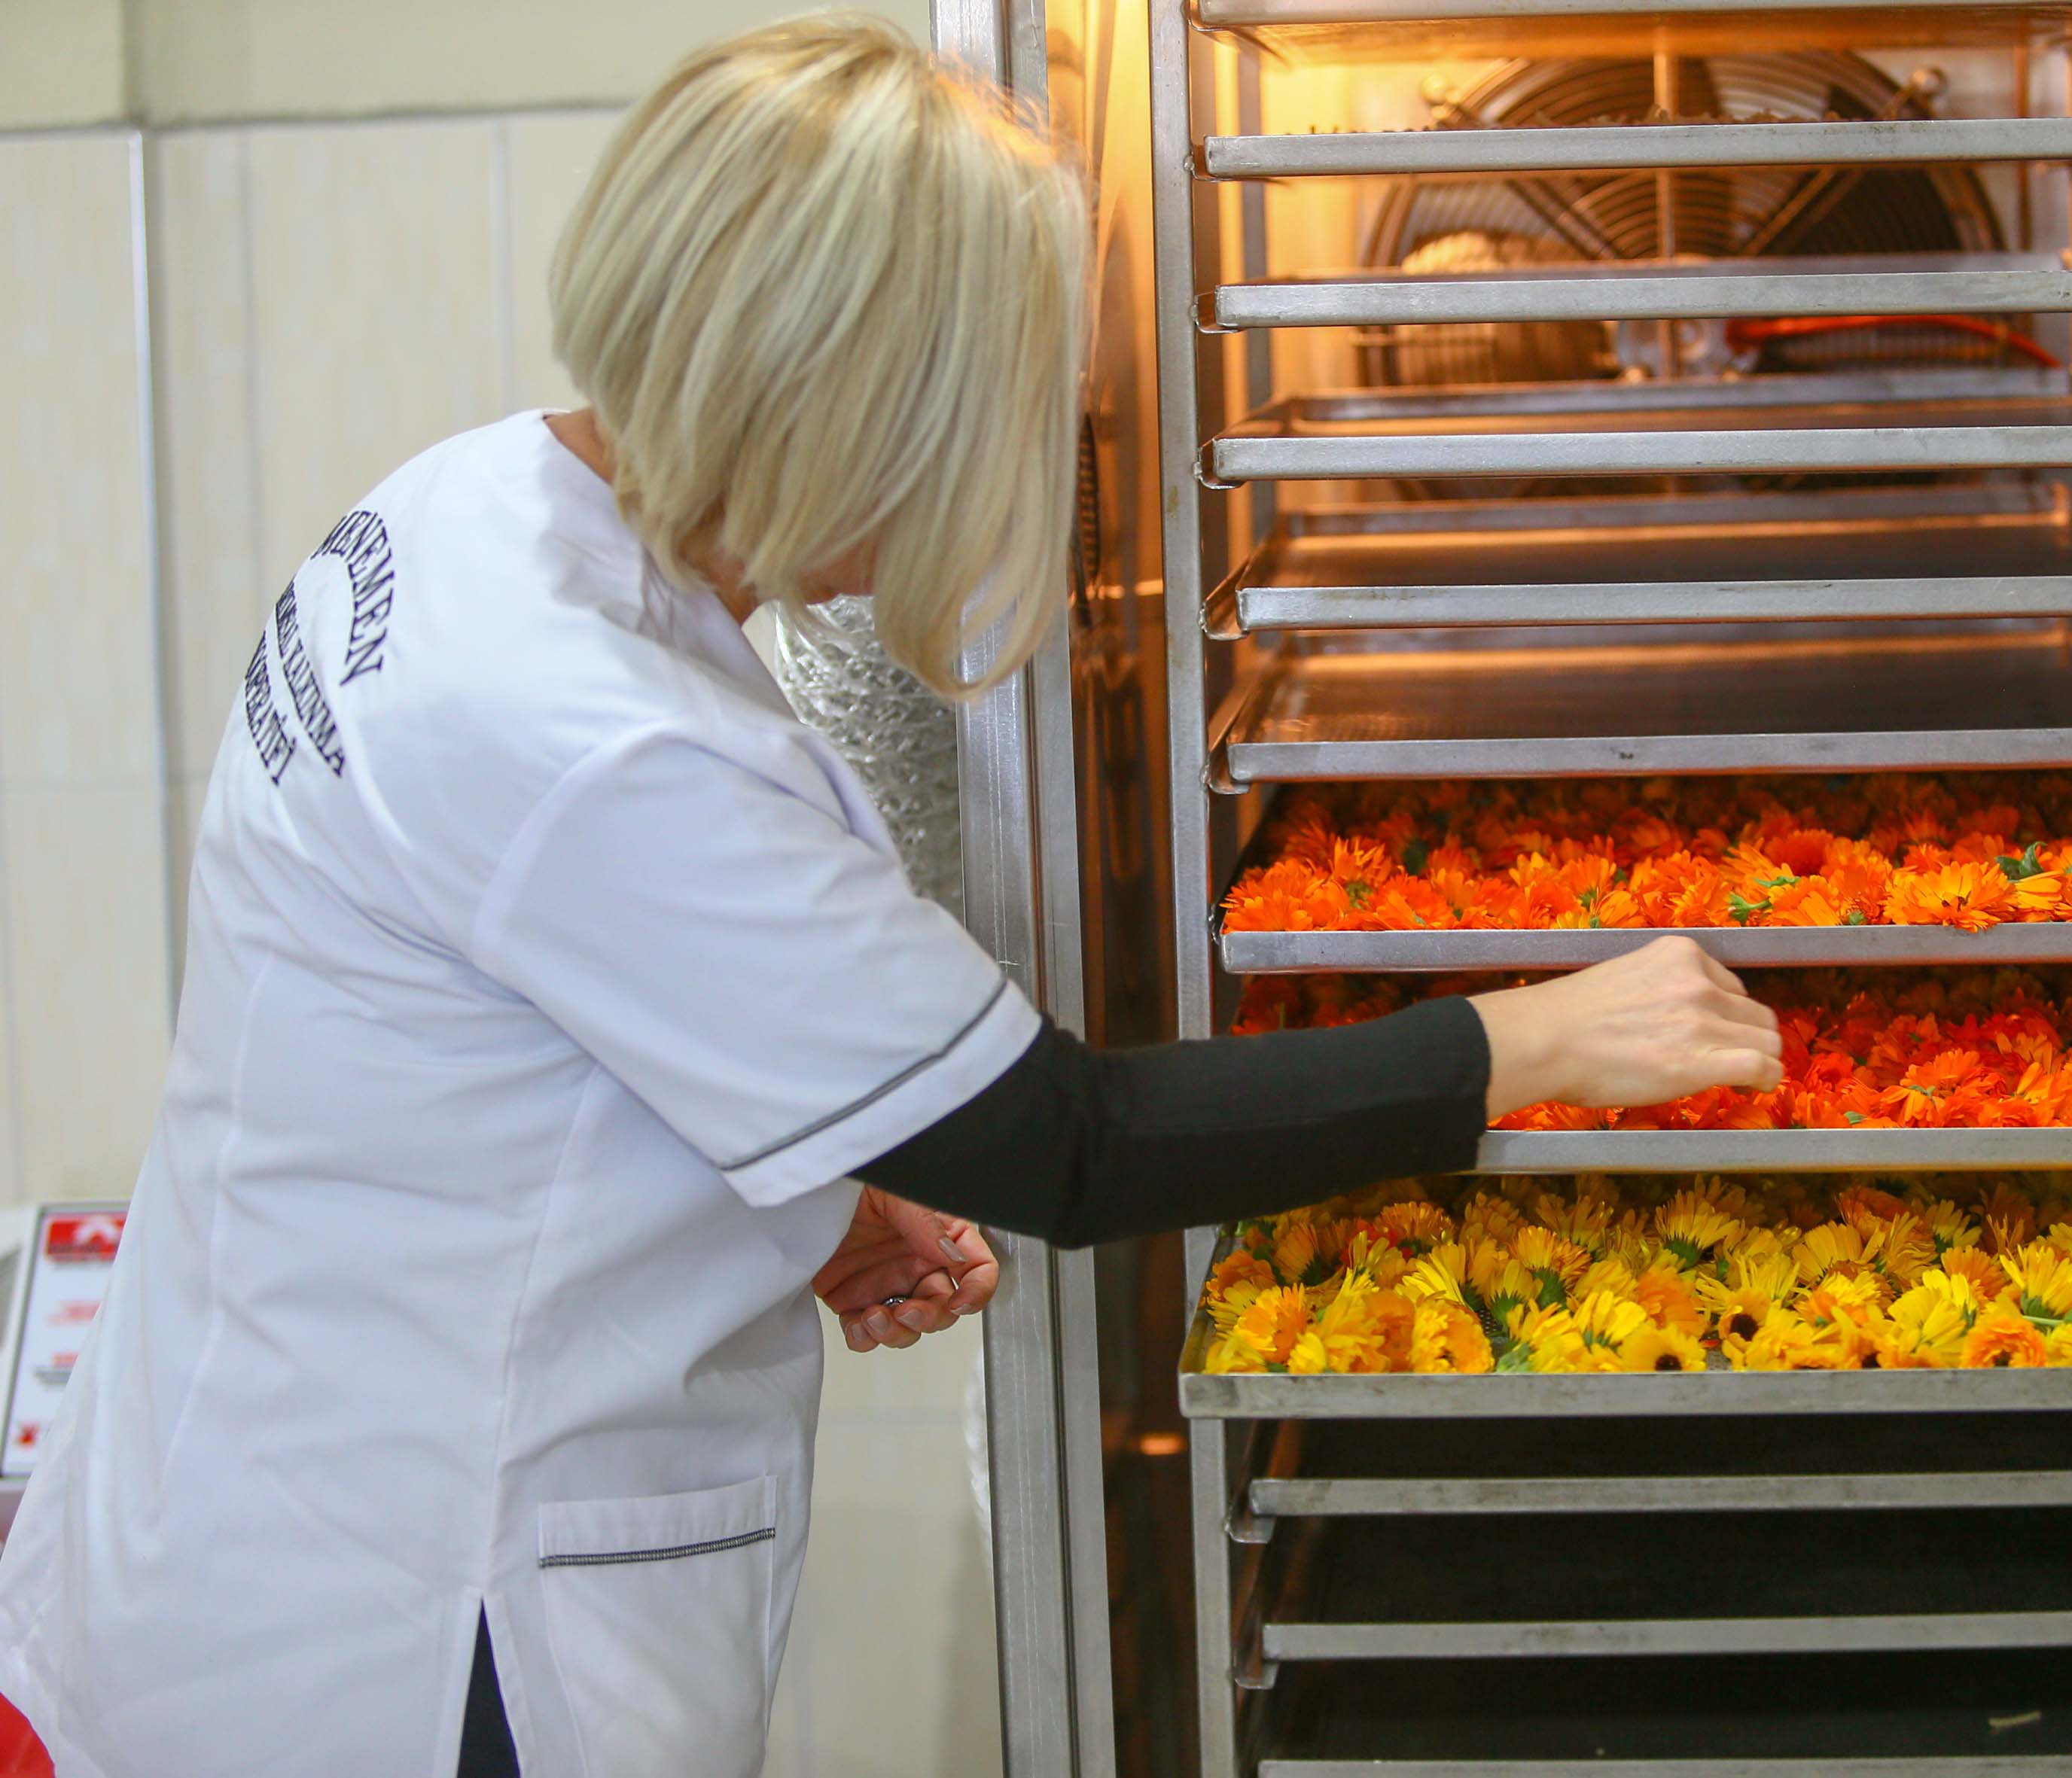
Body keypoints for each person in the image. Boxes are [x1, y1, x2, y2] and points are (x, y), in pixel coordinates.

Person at [0, 16, 1784, 1778]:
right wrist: (1528, 1035)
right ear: (857, 407)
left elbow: (498, 1021)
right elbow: (1070, 1145)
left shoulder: (470, 506)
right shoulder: (602, 737)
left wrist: (804, 1187)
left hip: (216, 1501)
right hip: (401, 1643)